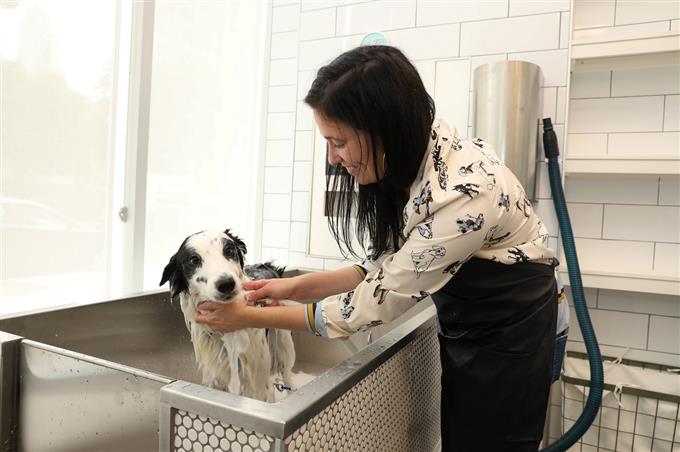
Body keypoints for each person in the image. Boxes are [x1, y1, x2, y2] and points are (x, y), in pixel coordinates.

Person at [196, 45, 558, 451]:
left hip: (509, 330)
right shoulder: (416, 155)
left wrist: (247, 316)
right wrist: (291, 287)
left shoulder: (464, 195)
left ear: (383, 129)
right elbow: (383, 265)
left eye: (338, 142)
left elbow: (366, 307)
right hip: (470, 321)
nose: (333, 159)